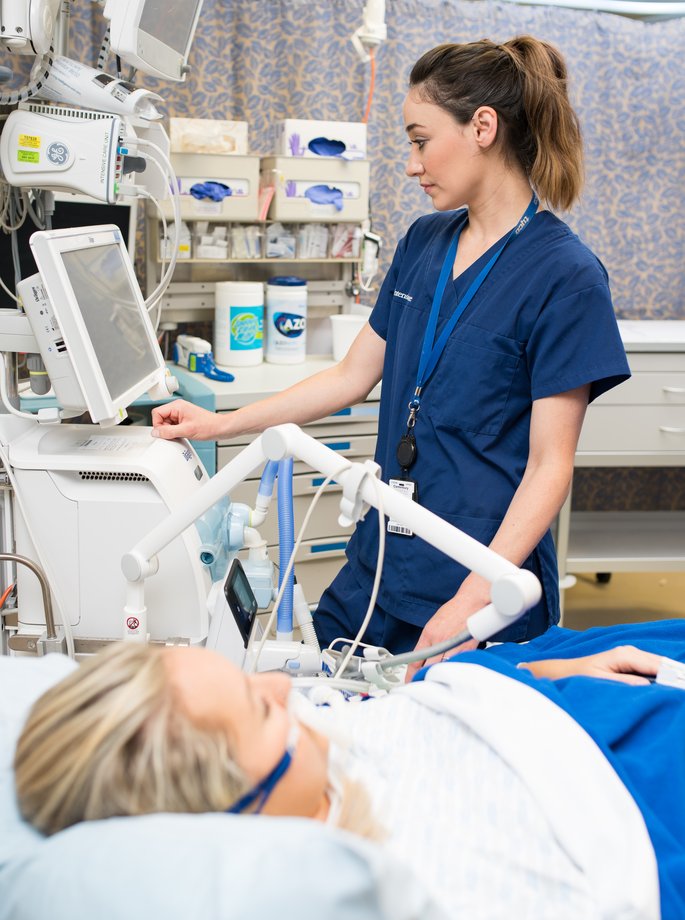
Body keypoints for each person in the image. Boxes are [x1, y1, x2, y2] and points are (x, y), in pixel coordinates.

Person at [151, 37, 630, 671]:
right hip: (379, 564)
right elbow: (351, 376)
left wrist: (474, 599)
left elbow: (549, 466)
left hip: (477, 577)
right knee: (323, 702)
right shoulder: (425, 242)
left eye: (420, 140)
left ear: (482, 127)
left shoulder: (565, 276)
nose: (412, 164)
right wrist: (222, 425)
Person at [14, 630, 685, 920]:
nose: (282, 683)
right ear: (238, 808)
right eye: (258, 706)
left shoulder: (305, 764)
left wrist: (545, 673)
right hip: (630, 769)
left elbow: (407, 703)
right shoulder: (447, 896)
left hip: (537, 682)